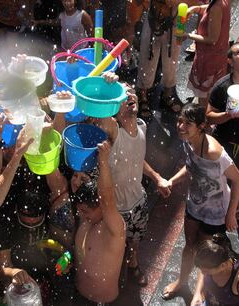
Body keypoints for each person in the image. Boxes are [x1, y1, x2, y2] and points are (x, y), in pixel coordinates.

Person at [93, 80, 171, 287]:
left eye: (131, 94)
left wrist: (157, 178)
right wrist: (106, 86)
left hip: (138, 202)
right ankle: (114, 273)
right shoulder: (113, 130)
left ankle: (133, 263)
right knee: (113, 246)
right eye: (122, 96)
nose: (129, 98)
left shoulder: (142, 126)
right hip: (113, 209)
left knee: (135, 242)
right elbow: (98, 115)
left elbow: (138, 158)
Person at [162, 103, 239, 300]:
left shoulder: (214, 152)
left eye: (188, 123)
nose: (181, 127)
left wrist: (231, 213)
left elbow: (238, 179)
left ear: (201, 126)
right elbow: (191, 166)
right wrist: (172, 180)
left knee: (206, 253)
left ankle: (200, 292)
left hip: (216, 212)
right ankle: (181, 282)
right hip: (195, 204)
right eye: (180, 121)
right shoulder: (187, 140)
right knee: (189, 244)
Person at [72, 141, 126, 305]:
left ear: (100, 207)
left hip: (102, 302)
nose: (82, 215)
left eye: (86, 211)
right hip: (79, 295)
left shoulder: (115, 229)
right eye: (81, 210)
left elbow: (107, 198)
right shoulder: (87, 217)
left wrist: (103, 160)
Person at [207, 42, 239, 195]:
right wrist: (227, 115)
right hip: (225, 145)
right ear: (230, 61)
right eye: (238, 52)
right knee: (219, 183)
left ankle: (235, 209)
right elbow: (209, 117)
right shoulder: (222, 86)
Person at [136, 0, 198, 118]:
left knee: (172, 60)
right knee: (147, 59)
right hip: (153, 18)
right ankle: (142, 96)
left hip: (177, 18)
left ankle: (167, 94)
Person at [178, 0, 230, 108]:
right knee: (210, 93)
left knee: (205, 97)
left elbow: (212, 39)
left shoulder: (216, 7)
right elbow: (210, 9)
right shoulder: (221, 2)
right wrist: (196, 9)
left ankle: (204, 120)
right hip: (216, 56)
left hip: (209, 59)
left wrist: (187, 35)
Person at [191, 234, 239, 306]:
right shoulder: (207, 265)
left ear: (223, 266)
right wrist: (198, 293)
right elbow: (202, 270)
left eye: (206, 271)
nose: (202, 273)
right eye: (201, 269)